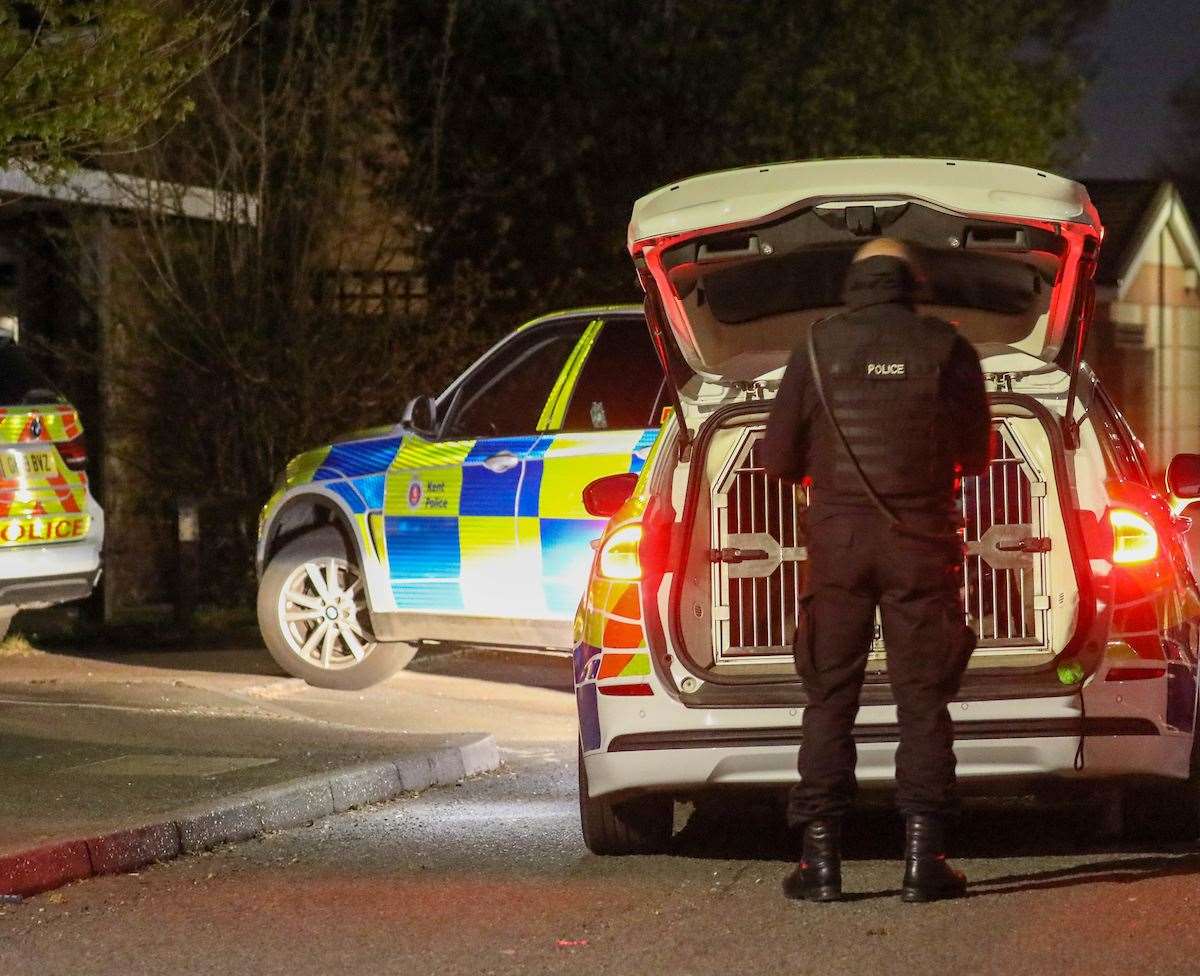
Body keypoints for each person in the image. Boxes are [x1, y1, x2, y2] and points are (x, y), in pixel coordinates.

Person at [763, 238, 990, 903]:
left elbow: (777, 459)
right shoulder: (947, 346)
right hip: (920, 543)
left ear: (854, 282)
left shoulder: (814, 346)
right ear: (911, 281)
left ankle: (820, 864)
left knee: (830, 697)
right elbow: (975, 455)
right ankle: (925, 861)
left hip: (838, 548)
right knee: (923, 699)